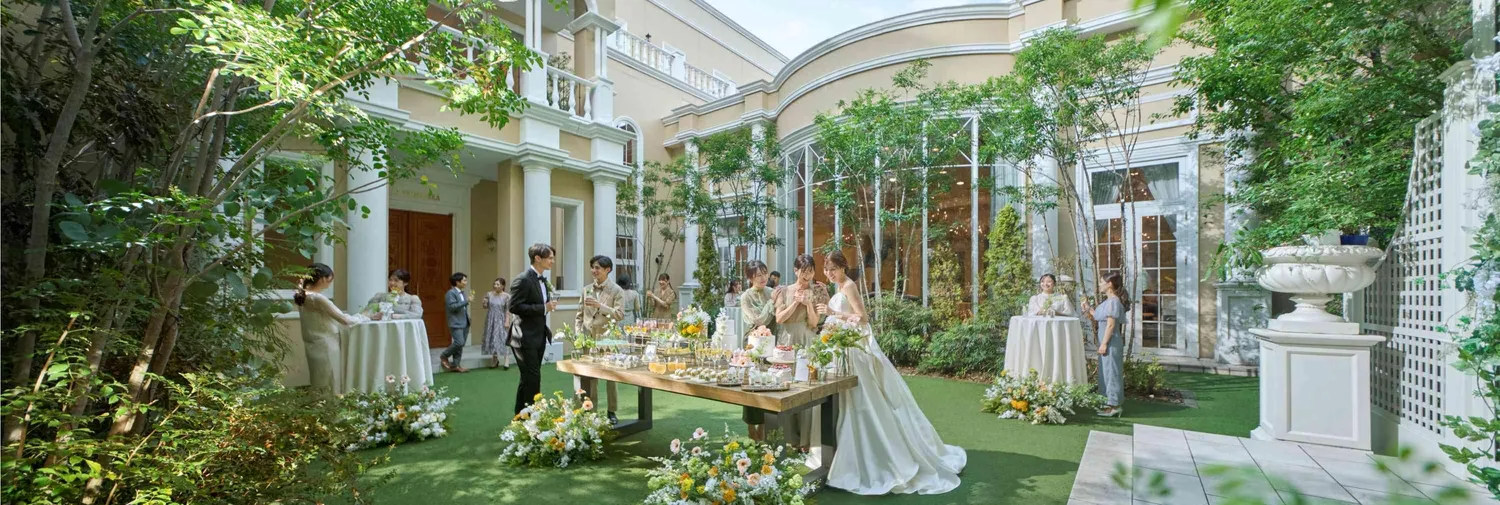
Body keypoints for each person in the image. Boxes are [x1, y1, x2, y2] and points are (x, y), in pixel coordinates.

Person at [817, 250, 967, 495]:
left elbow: (862, 318)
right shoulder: (839, 287)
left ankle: (871, 455)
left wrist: (833, 314)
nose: (829, 273)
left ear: (843, 267)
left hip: (852, 350)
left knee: (861, 399)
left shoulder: (850, 286)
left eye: (833, 269)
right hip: (840, 346)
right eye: (826, 269)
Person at [773, 254, 826, 449]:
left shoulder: (817, 291)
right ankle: (790, 439)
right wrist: (795, 302)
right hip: (787, 340)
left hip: (807, 340)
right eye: (804, 271)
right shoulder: (784, 291)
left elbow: (814, 322)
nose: (808, 275)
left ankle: (806, 440)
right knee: (786, 385)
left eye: (811, 271)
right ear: (796, 271)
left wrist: (807, 303)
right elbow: (779, 319)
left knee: (806, 386)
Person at [510, 243, 560, 415]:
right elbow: (514, 306)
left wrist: (547, 306)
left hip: (539, 335)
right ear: (538, 258)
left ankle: (520, 416)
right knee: (532, 378)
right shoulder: (523, 279)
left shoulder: (543, 280)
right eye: (550, 258)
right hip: (523, 337)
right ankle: (533, 417)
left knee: (528, 378)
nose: (553, 261)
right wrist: (543, 308)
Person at [295, 263, 361, 392]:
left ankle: (319, 402)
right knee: (331, 380)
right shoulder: (317, 298)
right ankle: (330, 404)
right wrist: (364, 316)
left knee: (318, 380)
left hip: (312, 343)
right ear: (322, 279)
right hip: (326, 343)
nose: (330, 282)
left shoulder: (302, 294)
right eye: (330, 279)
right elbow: (344, 320)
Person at [577, 255, 625, 425]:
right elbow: (580, 315)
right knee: (589, 377)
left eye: (597, 268)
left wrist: (600, 306)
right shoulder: (586, 289)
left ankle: (612, 411)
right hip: (588, 339)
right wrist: (578, 334)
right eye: (592, 267)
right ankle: (591, 410)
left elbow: (619, 314)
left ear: (607, 270)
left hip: (608, 339)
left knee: (611, 377)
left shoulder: (617, 290)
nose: (594, 271)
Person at [738, 260, 778, 441]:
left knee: (769, 383)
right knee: (751, 382)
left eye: (764, 273)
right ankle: (750, 424)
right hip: (752, 343)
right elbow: (758, 320)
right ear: (750, 278)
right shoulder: (746, 297)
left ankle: (764, 425)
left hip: (772, 342)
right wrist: (772, 303)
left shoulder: (771, 292)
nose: (763, 278)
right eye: (757, 275)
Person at [1082, 273, 1130, 418]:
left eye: (1102, 282)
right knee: (1106, 373)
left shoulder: (1113, 302)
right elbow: (1098, 316)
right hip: (1107, 342)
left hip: (1110, 343)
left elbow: (1110, 325)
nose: (1100, 284)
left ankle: (1115, 406)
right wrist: (1088, 308)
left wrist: (1103, 344)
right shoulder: (1108, 301)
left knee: (1112, 374)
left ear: (1110, 284)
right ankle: (1108, 403)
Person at [441, 272, 473, 373]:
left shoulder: (462, 293)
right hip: (455, 322)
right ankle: (444, 355)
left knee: (460, 345)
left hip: (464, 321)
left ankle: (455, 365)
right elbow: (452, 307)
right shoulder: (451, 293)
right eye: (464, 280)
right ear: (457, 282)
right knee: (459, 342)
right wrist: (466, 301)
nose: (466, 282)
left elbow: (462, 308)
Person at [481, 277, 514, 370]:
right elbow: (485, 307)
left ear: (503, 286)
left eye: (498, 284)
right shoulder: (489, 294)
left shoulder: (506, 296)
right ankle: (495, 360)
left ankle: (506, 360)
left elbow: (507, 310)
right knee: (492, 339)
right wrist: (484, 303)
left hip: (501, 319)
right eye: (495, 284)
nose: (495, 286)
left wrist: (507, 321)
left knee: (503, 339)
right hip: (490, 319)